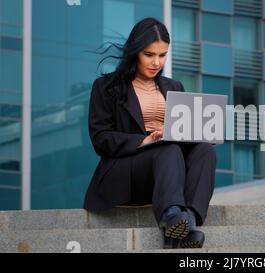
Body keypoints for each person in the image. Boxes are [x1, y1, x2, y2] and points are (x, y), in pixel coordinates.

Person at [84, 17, 216, 249]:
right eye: (149, 54)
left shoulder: (175, 87)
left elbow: (181, 136)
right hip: (128, 172)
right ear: (135, 52)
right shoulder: (105, 87)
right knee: (167, 148)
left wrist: (197, 133)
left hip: (168, 178)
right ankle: (172, 216)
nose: (157, 62)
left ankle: (188, 221)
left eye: (162, 55)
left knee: (204, 150)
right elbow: (100, 139)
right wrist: (145, 140)